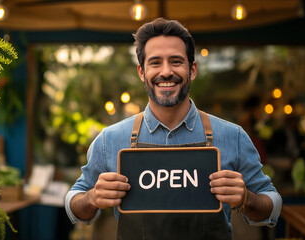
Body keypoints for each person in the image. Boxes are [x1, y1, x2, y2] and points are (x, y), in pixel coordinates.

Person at [65, 18, 282, 239]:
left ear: (193, 69)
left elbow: (272, 204)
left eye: (176, 61)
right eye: (155, 62)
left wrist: (246, 198)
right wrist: (92, 198)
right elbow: (73, 204)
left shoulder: (231, 136)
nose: (166, 71)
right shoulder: (109, 139)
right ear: (141, 72)